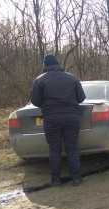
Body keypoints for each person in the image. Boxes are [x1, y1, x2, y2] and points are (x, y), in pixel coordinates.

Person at [31, 54, 86, 187]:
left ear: (45, 66)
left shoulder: (40, 80)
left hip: (51, 118)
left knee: (54, 149)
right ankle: (76, 178)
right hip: (71, 116)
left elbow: (35, 101)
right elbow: (81, 98)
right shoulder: (72, 78)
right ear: (58, 63)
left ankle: (56, 180)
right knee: (72, 148)